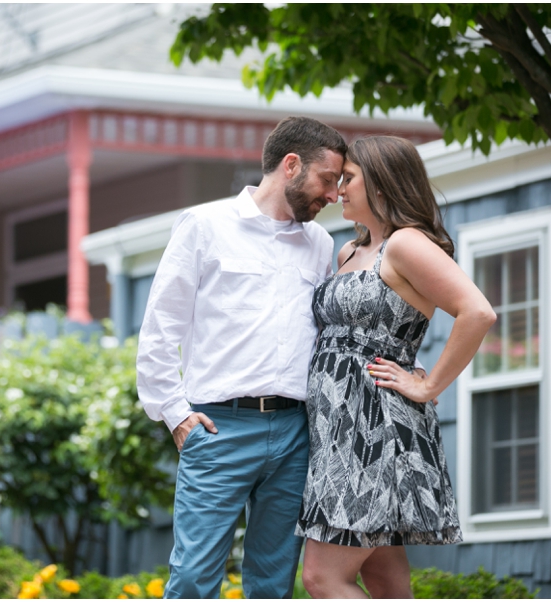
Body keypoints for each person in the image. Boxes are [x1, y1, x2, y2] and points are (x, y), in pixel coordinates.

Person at [136, 116, 347, 598]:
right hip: (218, 428)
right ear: (291, 166)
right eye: (327, 179)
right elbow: (160, 327)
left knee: (273, 584)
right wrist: (175, 416)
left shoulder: (319, 245)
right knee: (193, 579)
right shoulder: (203, 227)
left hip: (295, 433)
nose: (334, 195)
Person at [295, 136, 497, 599]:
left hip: (373, 431)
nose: (338, 189)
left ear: (382, 184)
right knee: (385, 580)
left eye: (348, 179)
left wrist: (428, 386)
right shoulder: (349, 252)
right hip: (336, 430)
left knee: (322, 578)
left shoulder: (406, 244)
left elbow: (477, 312)